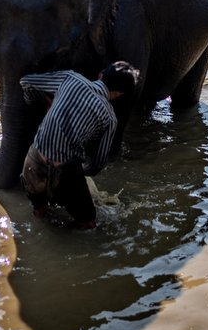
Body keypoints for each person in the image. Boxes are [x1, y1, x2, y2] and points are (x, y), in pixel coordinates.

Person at [19, 61, 141, 230]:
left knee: (39, 210)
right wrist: (82, 174)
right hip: (65, 173)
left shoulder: (70, 78)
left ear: (101, 74)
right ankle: (65, 235)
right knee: (89, 224)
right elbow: (98, 163)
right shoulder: (109, 118)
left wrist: (40, 103)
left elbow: (25, 81)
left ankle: (40, 220)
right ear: (120, 93)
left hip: (33, 163)